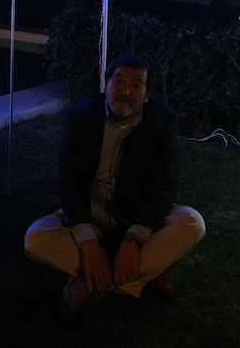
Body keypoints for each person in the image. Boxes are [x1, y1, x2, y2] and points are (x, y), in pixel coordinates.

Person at [24, 54, 206, 316]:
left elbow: (164, 186)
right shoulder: (81, 117)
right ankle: (146, 271)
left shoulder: (161, 120)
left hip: (135, 214)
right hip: (91, 212)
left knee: (192, 222)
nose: (125, 91)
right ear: (106, 85)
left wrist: (132, 241)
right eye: (119, 81)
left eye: (136, 85)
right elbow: (70, 183)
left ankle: (91, 284)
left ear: (147, 96)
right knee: (35, 239)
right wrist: (89, 244)